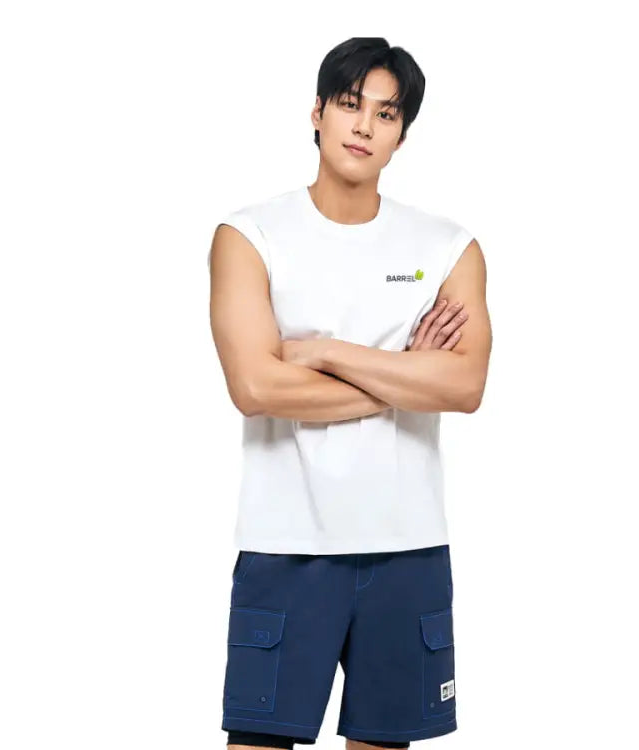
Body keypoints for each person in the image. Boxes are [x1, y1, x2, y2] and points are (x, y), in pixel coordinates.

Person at [208, 37, 492, 750]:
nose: (364, 125)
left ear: (402, 135)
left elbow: (464, 384)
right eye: (349, 104)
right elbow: (255, 385)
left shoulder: (447, 247)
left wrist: (328, 353)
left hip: (408, 548)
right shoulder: (249, 236)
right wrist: (405, 374)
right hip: (285, 545)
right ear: (317, 112)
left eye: (386, 114)